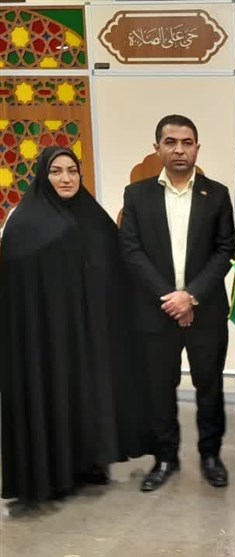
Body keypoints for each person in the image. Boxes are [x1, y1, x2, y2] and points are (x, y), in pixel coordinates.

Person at [0, 147, 151, 505]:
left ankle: (89, 462)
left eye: (72, 170)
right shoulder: (24, 225)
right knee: (51, 393)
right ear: (43, 175)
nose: (66, 178)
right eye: (56, 171)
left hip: (89, 330)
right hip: (45, 336)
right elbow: (19, 288)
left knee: (87, 393)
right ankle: (51, 474)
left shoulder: (93, 218)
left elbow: (115, 266)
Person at [120, 115, 235, 492]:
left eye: (187, 142)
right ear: (157, 148)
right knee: (159, 388)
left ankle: (210, 456)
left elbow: (225, 250)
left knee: (209, 387)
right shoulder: (137, 195)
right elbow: (131, 250)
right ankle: (165, 457)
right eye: (170, 142)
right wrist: (171, 298)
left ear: (197, 148)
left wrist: (192, 296)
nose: (179, 150)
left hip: (206, 310)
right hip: (156, 312)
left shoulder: (216, 194)